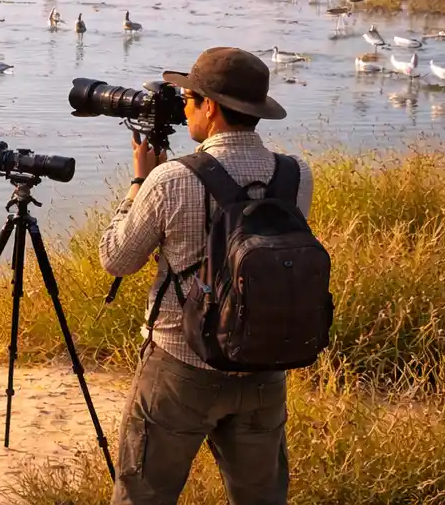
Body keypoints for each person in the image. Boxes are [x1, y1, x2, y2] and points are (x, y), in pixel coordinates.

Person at [99, 47, 313, 505]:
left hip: (182, 364)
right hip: (264, 365)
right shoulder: (296, 174)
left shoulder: (172, 178)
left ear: (210, 107)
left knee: (144, 497)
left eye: (189, 98)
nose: (184, 108)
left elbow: (117, 259)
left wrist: (139, 183)